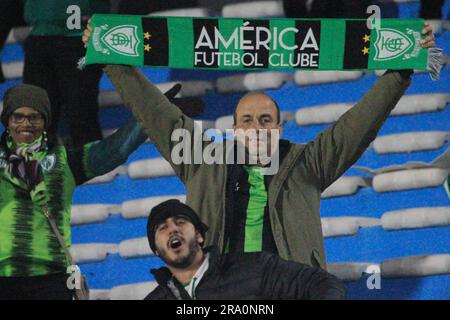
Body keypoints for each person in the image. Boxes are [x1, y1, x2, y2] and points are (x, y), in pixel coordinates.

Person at [83, 23, 436, 270]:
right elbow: (155, 112)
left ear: (278, 128)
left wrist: (400, 71)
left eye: (265, 120)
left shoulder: (307, 164)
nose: (256, 127)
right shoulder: (200, 160)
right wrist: (111, 57)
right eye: (248, 121)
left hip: (288, 286)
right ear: (235, 129)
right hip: (219, 291)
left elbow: (357, 125)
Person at [0, 82, 183, 299]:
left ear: (45, 120)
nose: (25, 124)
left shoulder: (64, 160)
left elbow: (115, 149)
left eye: (34, 117)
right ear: (7, 121)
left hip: (52, 280)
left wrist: (153, 113)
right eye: (17, 117)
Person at [145, 199, 346, 300]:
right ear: (156, 250)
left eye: (180, 222)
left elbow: (323, 283)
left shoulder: (254, 267)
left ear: (199, 235)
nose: (172, 229)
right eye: (162, 228)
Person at [23, 0, 110, 147]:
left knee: (81, 115)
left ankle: (91, 166)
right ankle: (39, 166)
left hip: (79, 36)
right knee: (36, 118)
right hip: (41, 35)